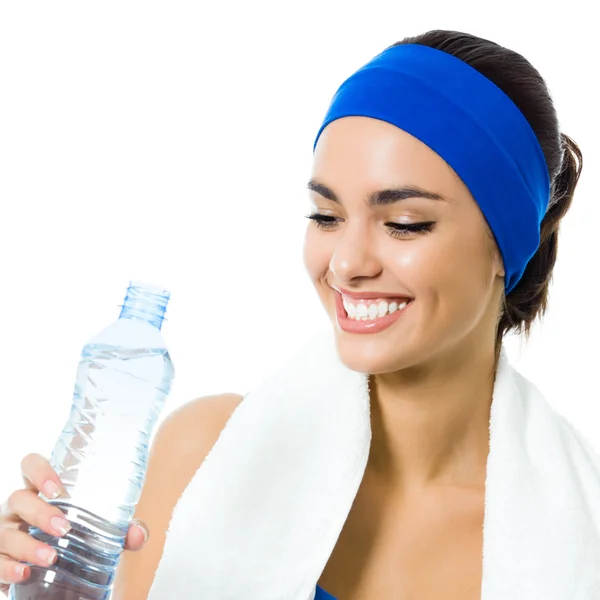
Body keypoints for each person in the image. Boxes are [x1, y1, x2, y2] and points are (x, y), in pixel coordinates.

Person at [0, 29, 586, 600]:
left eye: (405, 223)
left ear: (505, 245)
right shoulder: (201, 457)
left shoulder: (582, 544)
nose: (347, 263)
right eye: (326, 216)